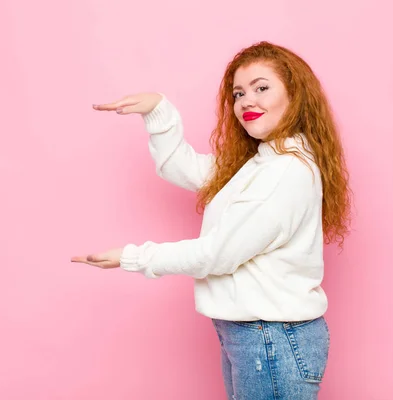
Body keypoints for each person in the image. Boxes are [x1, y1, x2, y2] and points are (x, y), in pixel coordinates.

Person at [71, 41, 351, 399]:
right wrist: (159, 112)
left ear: (295, 95)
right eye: (239, 93)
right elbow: (188, 169)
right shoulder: (263, 161)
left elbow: (217, 254)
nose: (247, 101)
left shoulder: (285, 172)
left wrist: (134, 257)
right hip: (257, 335)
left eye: (262, 88)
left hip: (271, 337)